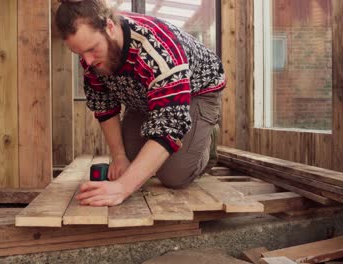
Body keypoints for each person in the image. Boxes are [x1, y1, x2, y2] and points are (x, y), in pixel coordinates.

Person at [55, 0, 226, 206]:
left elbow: (169, 126)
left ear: (109, 27)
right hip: (145, 98)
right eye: (80, 54)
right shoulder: (92, 59)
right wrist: (118, 156)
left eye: (92, 49)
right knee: (131, 161)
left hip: (197, 91)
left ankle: (207, 138)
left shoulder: (158, 47)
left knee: (174, 176)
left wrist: (122, 188)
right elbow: (104, 106)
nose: (88, 62)